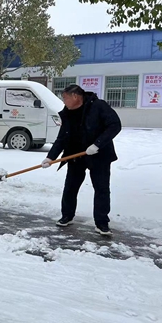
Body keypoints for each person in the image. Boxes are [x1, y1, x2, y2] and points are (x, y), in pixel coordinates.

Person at [41, 84, 121, 236]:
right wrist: (50, 157)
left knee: (101, 188)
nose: (63, 101)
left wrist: (98, 144)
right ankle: (67, 215)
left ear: (75, 96)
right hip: (75, 155)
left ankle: (102, 222)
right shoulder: (67, 113)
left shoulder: (98, 106)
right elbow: (62, 137)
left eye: (64, 98)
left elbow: (115, 125)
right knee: (70, 186)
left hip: (98, 155)